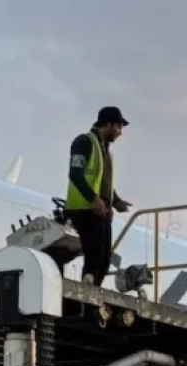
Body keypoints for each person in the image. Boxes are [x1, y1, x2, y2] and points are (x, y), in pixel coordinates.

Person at [64, 106, 133, 287]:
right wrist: (93, 199)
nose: (120, 133)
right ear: (107, 124)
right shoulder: (85, 142)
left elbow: (102, 180)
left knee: (104, 257)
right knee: (94, 253)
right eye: (118, 127)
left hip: (101, 210)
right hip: (84, 208)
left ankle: (94, 289)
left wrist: (116, 201)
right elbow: (75, 174)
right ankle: (87, 289)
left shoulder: (104, 149)